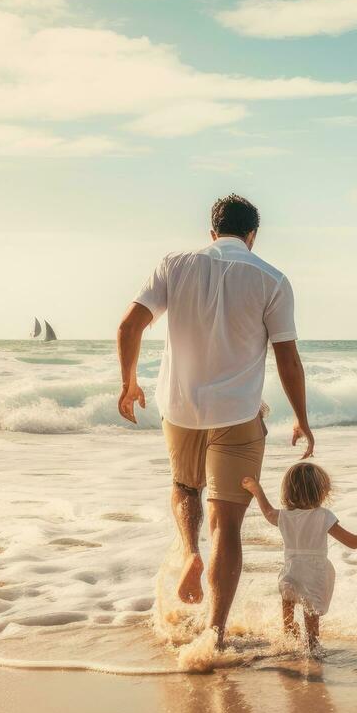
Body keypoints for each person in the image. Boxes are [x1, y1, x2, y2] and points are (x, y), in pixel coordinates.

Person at [116, 193, 314, 649]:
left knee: (185, 488)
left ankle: (189, 553)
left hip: (179, 408)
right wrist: (302, 419)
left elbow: (129, 326)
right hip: (239, 414)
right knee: (226, 525)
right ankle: (216, 632)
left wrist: (129, 383)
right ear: (253, 236)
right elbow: (288, 359)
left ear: (212, 232)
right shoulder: (273, 279)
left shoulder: (174, 264)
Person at [241, 464, 357, 649]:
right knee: (312, 628)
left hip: (291, 572)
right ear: (320, 492)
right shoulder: (323, 516)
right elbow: (353, 542)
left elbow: (268, 512)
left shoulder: (284, 516)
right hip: (314, 575)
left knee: (288, 607)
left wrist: (256, 490)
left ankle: (289, 641)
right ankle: (313, 651)